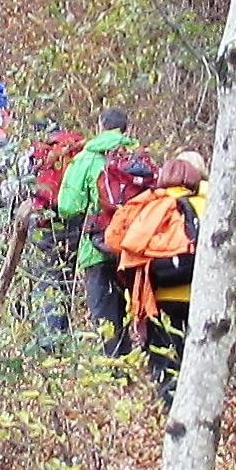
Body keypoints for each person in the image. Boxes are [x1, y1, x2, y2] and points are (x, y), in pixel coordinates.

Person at [106, 150, 207, 398]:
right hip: (199, 296)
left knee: (165, 364)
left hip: (157, 298)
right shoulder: (208, 204)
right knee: (197, 363)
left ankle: (168, 406)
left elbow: (118, 243)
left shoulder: (148, 206)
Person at [57, 107, 142, 352]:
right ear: (126, 129)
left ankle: (114, 366)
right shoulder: (137, 155)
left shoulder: (86, 158)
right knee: (138, 308)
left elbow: (67, 206)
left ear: (100, 126)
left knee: (106, 315)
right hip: (134, 247)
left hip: (98, 246)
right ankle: (145, 363)